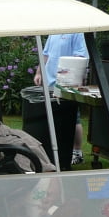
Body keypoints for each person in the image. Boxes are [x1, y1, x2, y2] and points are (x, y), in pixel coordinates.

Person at [33, 33, 89, 166]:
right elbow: (45, 55)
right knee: (53, 117)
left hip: (66, 83)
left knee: (73, 117)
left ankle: (77, 152)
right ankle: (54, 149)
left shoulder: (76, 32)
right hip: (50, 82)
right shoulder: (54, 32)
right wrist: (39, 72)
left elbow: (80, 57)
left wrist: (67, 82)